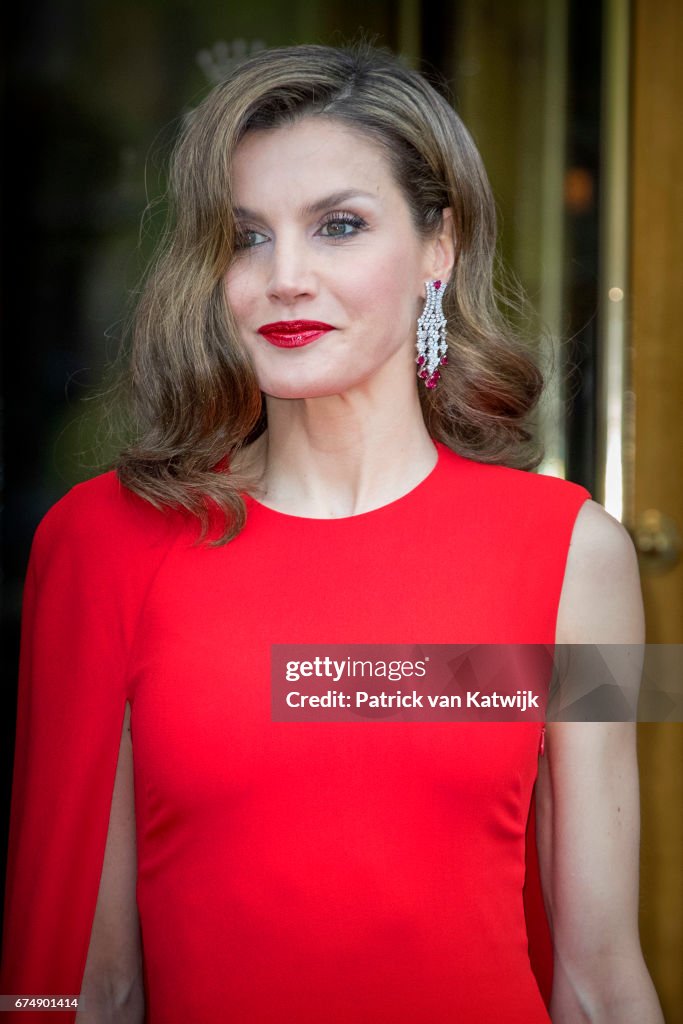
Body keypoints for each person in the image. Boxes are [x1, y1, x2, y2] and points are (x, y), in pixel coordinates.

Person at [0, 42, 664, 1024]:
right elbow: (84, 985)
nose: (286, 278)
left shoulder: (579, 555)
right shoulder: (99, 545)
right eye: (246, 237)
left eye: (339, 226)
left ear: (437, 249)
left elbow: (598, 977)